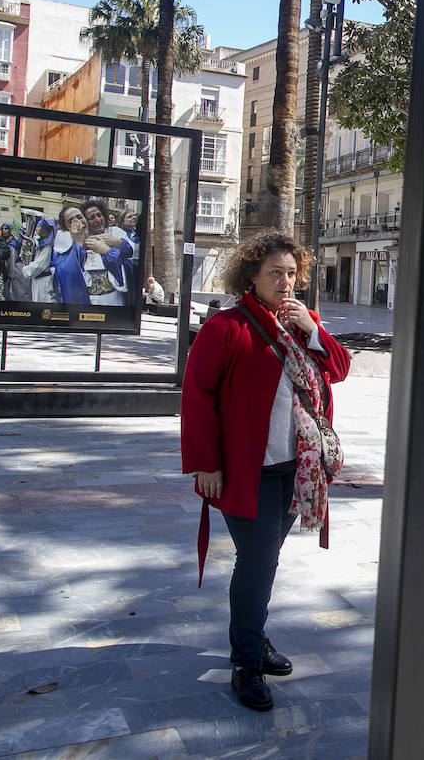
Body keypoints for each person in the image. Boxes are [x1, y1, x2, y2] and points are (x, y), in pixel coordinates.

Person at [181, 231, 351, 713]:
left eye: (292, 272)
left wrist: (313, 330)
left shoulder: (303, 325)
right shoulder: (225, 327)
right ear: (250, 276)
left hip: (293, 470)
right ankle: (246, 662)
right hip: (243, 469)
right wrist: (206, 463)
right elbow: (197, 399)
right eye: (275, 272)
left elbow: (338, 369)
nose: (286, 281)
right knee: (257, 562)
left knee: (265, 560)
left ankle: (254, 637)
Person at [50, 205, 128, 305]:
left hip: (113, 298)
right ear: (66, 227)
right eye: (71, 221)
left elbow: (122, 265)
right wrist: (78, 243)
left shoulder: (104, 236)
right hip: (86, 300)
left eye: (79, 217)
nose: (78, 222)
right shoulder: (62, 246)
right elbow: (66, 275)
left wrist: (107, 250)